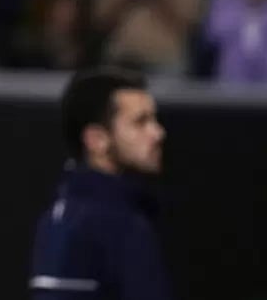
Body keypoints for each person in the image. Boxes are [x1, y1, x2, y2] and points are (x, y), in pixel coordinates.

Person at [29, 68, 171, 300]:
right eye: (140, 122)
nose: (158, 133)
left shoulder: (67, 214)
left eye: (154, 119)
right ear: (97, 140)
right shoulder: (104, 225)